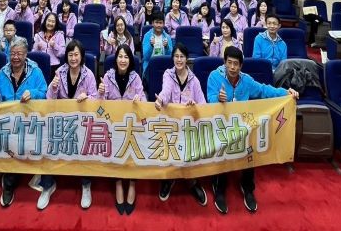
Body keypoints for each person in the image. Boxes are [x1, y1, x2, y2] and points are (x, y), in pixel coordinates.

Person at [207, 46, 299, 214]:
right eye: (229, 63)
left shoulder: (246, 80)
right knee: (222, 149)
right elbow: (209, 101)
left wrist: (286, 92)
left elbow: (264, 90)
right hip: (221, 126)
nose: (232, 67)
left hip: (241, 127)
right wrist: (217, 99)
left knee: (250, 148)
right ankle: (219, 188)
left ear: (241, 66)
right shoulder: (214, 77)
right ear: (224, 63)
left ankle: (247, 187)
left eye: (236, 64)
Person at [38, 40, 97, 210]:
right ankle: (48, 185)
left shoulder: (88, 74)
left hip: (82, 121)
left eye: (76, 54)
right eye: (70, 55)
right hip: (62, 120)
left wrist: (87, 98)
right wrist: (54, 87)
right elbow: (49, 99)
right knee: (49, 141)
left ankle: (86, 184)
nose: (73, 58)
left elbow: (96, 99)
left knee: (86, 144)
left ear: (82, 56)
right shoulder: (59, 72)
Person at [0, 37, 47, 207]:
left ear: (26, 55)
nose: (15, 57)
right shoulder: (2, 73)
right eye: (12, 53)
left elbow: (44, 92)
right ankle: (7, 180)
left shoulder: (36, 72)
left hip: (30, 120)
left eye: (19, 54)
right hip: (8, 121)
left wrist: (33, 93)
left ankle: (10, 181)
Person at [154, 43, 207, 205]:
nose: (179, 60)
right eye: (176, 56)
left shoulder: (194, 80)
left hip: (188, 127)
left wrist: (194, 106)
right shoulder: (168, 74)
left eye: (182, 56)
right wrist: (160, 99)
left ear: (186, 59)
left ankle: (192, 181)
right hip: (170, 124)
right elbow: (166, 91)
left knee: (191, 149)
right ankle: (169, 179)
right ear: (173, 58)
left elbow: (203, 104)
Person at [98, 44, 145, 214]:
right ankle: (118, 182)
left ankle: (132, 182)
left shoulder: (136, 78)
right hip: (113, 125)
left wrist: (140, 100)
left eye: (126, 57)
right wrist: (101, 93)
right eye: (120, 56)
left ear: (130, 60)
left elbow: (144, 101)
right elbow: (99, 108)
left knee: (134, 146)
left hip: (130, 125)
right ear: (115, 59)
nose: (123, 60)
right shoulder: (107, 77)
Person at [33, 12, 65, 78]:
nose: (50, 23)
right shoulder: (39, 35)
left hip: (54, 66)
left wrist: (54, 46)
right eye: (49, 20)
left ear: (56, 23)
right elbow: (34, 52)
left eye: (53, 21)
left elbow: (62, 53)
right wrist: (37, 47)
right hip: (40, 65)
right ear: (45, 21)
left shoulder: (60, 35)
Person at [142, 12, 173, 76]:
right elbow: (146, 57)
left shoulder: (167, 37)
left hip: (164, 66)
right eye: (156, 22)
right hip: (150, 66)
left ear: (163, 24)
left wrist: (167, 47)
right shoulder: (147, 36)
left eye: (160, 23)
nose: (158, 25)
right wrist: (151, 46)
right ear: (152, 23)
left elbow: (170, 57)